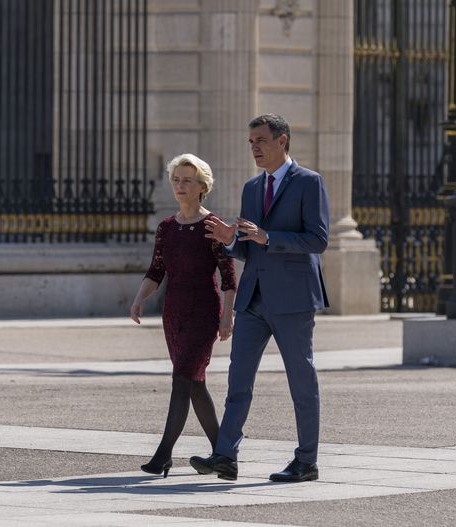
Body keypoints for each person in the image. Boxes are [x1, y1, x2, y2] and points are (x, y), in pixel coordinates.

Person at [191, 113, 329, 483]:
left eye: (261, 140)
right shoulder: (252, 187)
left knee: (301, 381)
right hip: (253, 299)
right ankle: (225, 455)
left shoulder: (309, 183)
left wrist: (270, 237)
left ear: (283, 140)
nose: (254, 147)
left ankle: (306, 461)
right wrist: (230, 240)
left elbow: (318, 240)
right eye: (251, 141)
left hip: (293, 299)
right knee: (238, 380)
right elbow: (250, 248)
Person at [130, 153, 237, 478]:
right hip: (173, 313)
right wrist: (138, 300)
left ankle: (163, 455)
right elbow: (156, 271)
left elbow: (228, 276)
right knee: (194, 385)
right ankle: (226, 456)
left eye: (187, 180)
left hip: (204, 311)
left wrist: (227, 316)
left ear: (202, 186)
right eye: (176, 179)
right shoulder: (166, 227)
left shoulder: (211, 226)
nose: (180, 185)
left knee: (182, 379)